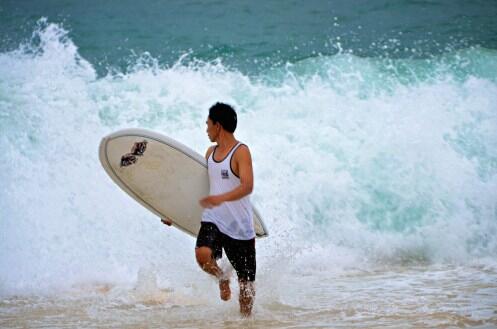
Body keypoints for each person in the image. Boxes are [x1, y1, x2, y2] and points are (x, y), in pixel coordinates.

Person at [161, 102, 256, 316]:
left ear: (218, 126)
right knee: (203, 255)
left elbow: (247, 186)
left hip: (239, 225)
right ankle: (222, 277)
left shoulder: (241, 152)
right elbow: (198, 188)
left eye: (208, 124)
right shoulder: (210, 153)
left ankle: (245, 323)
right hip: (214, 219)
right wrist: (171, 213)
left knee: (246, 289)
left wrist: (219, 198)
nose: (206, 129)